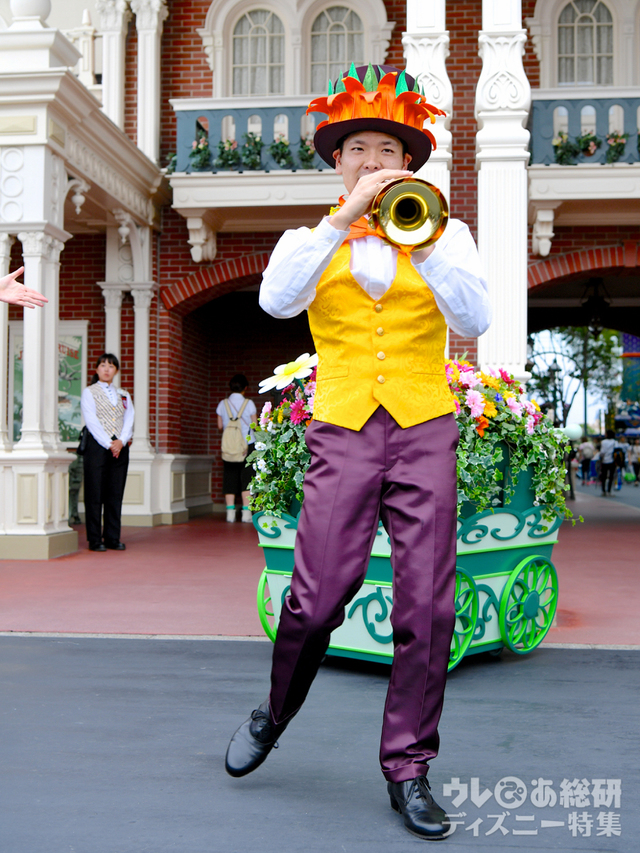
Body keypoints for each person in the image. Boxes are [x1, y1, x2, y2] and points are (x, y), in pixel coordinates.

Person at [224, 64, 491, 841]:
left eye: (386, 149)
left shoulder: (450, 232)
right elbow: (278, 300)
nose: (373, 162)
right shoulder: (306, 240)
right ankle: (275, 711)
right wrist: (342, 220)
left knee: (430, 605)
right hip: (343, 426)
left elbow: (477, 313)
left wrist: (430, 237)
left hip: (424, 427)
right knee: (315, 599)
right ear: (337, 162)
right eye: (358, 149)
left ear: (409, 163)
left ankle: (408, 766)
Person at [80, 353, 134, 551]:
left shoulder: (124, 395)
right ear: (96, 370)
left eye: (110, 366)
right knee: (95, 493)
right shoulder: (89, 392)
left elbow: (129, 419)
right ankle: (95, 539)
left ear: (116, 371)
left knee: (115, 493)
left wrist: (121, 441)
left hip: (120, 447)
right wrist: (108, 443)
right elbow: (91, 421)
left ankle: (112, 537)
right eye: (102, 365)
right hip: (97, 447)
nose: (106, 369)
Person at [216, 374, 256, 522]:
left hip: (229, 445)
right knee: (247, 477)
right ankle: (246, 514)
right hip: (248, 443)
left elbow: (220, 426)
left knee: (229, 476)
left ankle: (230, 513)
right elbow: (255, 425)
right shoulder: (249, 403)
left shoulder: (222, 404)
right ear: (245, 388)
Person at [598, 428, 619, 496]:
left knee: (603, 476)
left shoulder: (603, 442)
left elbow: (602, 452)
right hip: (612, 461)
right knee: (611, 476)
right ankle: (609, 491)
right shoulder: (615, 442)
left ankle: (603, 491)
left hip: (604, 460)